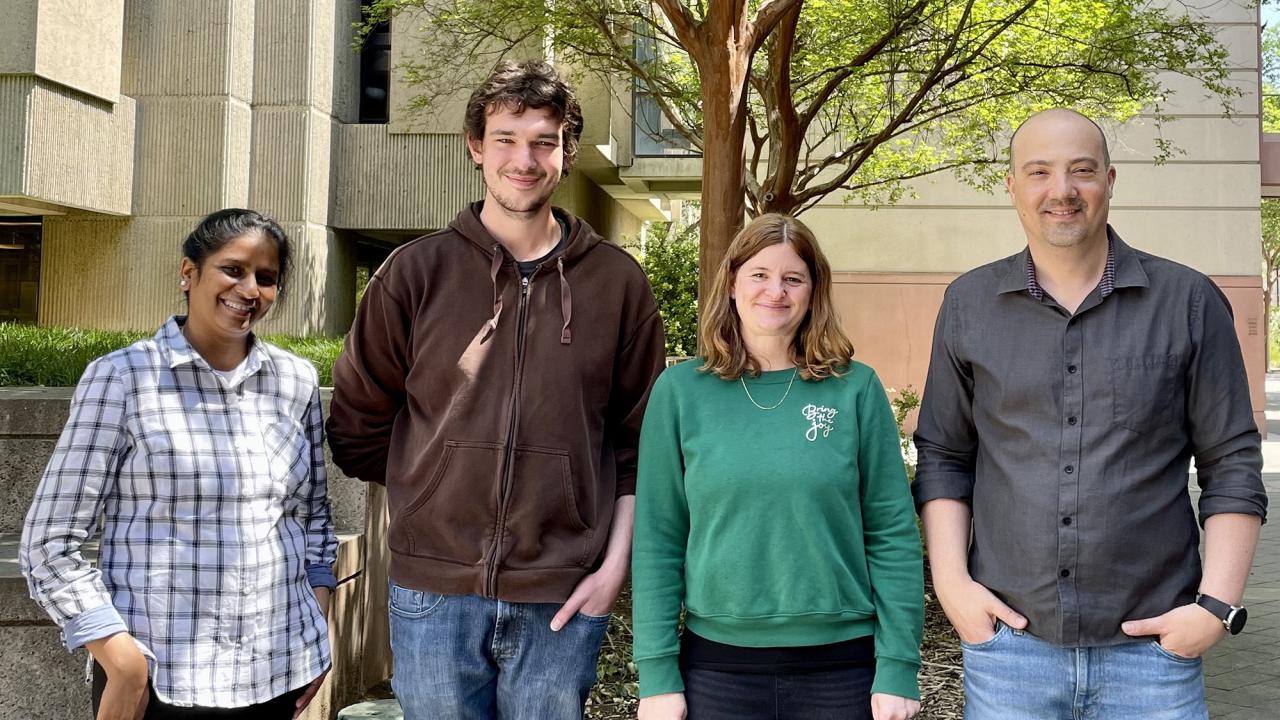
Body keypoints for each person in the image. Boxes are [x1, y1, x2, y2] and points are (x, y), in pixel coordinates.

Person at [326, 60, 665, 720]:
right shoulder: (414, 274)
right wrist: (432, 498)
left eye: (543, 141)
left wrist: (611, 569)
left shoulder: (617, 285)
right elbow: (359, 423)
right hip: (432, 593)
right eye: (506, 138)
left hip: (563, 592)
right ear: (476, 147)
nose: (524, 159)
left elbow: (639, 444)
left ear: (567, 153)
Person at [912, 108, 1268, 719]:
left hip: (1153, 656)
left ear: (1109, 178)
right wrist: (953, 587)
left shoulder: (1187, 301)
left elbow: (1231, 462)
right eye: (1040, 172)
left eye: (1081, 170)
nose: (1062, 191)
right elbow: (945, 454)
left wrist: (1216, 606)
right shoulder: (968, 304)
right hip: (1008, 652)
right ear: (1014, 187)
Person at [20, 208, 337, 719]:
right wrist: (121, 663)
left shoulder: (295, 381)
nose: (250, 289)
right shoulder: (123, 378)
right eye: (233, 270)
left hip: (279, 670)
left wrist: (316, 621)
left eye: (267, 277)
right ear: (188, 273)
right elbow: (49, 541)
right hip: (161, 680)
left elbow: (311, 514)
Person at [632, 213, 924, 720]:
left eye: (793, 278)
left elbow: (892, 531)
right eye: (760, 275)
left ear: (814, 291)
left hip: (843, 671)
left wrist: (898, 664)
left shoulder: (855, 388)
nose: (776, 291)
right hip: (717, 671)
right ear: (732, 284)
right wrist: (657, 674)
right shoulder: (680, 393)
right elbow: (658, 539)